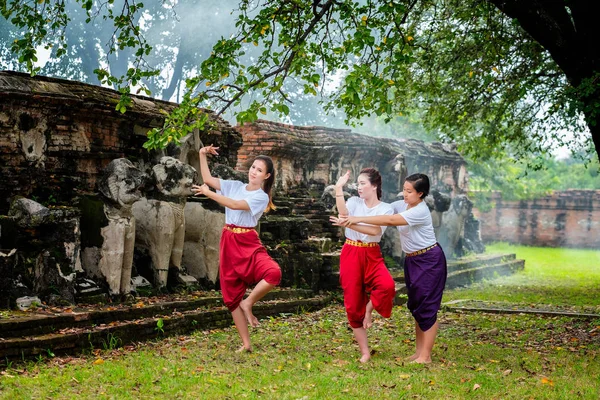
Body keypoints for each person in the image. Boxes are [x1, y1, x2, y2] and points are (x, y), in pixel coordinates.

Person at [332, 173, 447, 364]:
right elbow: (380, 211)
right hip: (412, 260)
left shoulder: (419, 210)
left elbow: (389, 221)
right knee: (417, 306)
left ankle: (426, 356)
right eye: (404, 189)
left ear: (420, 194)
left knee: (427, 307)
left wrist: (353, 219)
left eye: (409, 191)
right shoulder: (401, 204)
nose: (404, 194)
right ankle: (418, 352)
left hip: (429, 259)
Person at [191, 145, 281, 353]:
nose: (253, 171)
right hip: (229, 240)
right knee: (231, 295)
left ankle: (248, 303)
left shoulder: (261, 197)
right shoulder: (234, 185)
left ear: (266, 176)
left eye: (259, 170)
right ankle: (246, 344)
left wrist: (208, 194)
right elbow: (209, 180)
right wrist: (201, 154)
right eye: (252, 167)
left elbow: (234, 205)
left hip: (248, 241)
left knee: (273, 273)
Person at [329, 168, 396, 363]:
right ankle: (365, 351)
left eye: (362, 183)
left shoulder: (385, 208)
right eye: (357, 184)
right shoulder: (354, 202)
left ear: (374, 185)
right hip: (351, 252)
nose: (359, 188)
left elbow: (375, 230)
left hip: (372, 253)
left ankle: (368, 310)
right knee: (352, 303)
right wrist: (339, 188)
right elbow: (343, 213)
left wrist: (349, 223)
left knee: (387, 286)